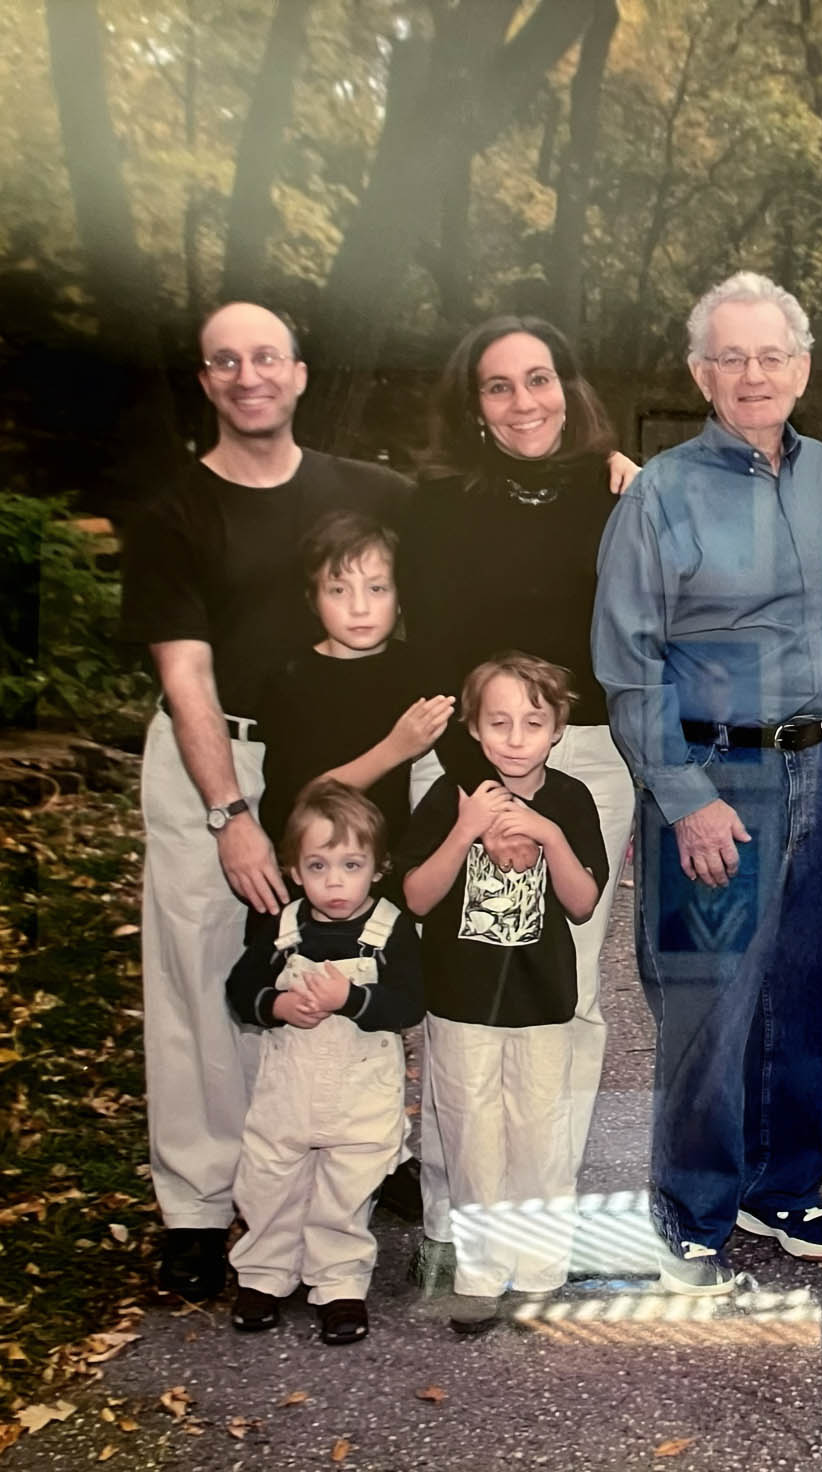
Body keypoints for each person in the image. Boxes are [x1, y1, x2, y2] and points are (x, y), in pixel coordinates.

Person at [119, 301, 412, 1300]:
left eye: (266, 357)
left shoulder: (366, 490)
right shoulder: (172, 513)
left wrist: (610, 470)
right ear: (207, 380)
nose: (249, 376)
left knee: (347, 950)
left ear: (298, 371)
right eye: (226, 361)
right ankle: (201, 1208)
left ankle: (353, 1154)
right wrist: (229, 814)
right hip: (219, 759)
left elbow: (481, 519)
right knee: (203, 980)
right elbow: (186, 678)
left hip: (338, 760)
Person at [592, 271, 822, 1295]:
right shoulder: (661, 494)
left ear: (801, 367)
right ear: (700, 373)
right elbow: (629, 662)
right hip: (719, 775)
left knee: (811, 996)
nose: (753, 374)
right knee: (708, 1006)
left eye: (771, 356)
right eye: (732, 357)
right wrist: (683, 794)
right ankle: (690, 1208)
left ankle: (782, 1184)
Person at [398, 314, 639, 1275]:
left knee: (563, 990)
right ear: (475, 405)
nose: (523, 401)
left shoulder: (617, 494)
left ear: (569, 390)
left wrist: (542, 808)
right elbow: (426, 653)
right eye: (499, 385)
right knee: (463, 996)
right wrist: (483, 801)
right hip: (464, 760)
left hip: (586, 763)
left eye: (540, 379)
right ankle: (455, 1223)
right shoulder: (435, 504)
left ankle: (540, 1222)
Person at [396, 654, 609, 1333]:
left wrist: (548, 835)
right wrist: (466, 828)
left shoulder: (571, 799)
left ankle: (541, 1272)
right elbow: (416, 897)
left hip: (542, 1003)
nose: (516, 738)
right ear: (474, 728)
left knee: (540, 1135)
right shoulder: (451, 797)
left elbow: (583, 902)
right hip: (461, 1003)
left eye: (533, 723)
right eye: (499, 722)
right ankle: (480, 1274)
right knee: (473, 1137)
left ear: (558, 729)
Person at [224, 781, 423, 1345]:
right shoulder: (282, 928)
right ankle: (264, 1274)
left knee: (346, 1192)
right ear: (293, 870)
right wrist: (277, 1005)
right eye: (318, 866)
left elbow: (410, 1002)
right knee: (269, 1180)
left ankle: (339, 1284)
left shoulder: (390, 930)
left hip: (361, 1096)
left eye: (351, 865)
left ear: (378, 869)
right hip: (288, 1092)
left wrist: (352, 1000)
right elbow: (240, 988)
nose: (335, 881)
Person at [253, 512, 454, 854]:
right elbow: (297, 803)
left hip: (388, 862)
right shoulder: (290, 681)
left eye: (377, 588)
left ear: (401, 596)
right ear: (312, 600)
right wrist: (395, 749)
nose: (359, 607)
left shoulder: (420, 669)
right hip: (316, 864)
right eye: (338, 590)